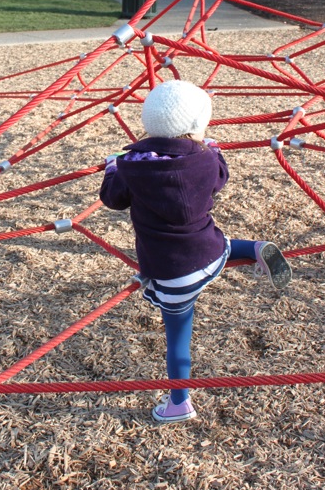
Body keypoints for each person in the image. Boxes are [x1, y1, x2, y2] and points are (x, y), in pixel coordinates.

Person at [100, 79, 292, 425]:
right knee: (229, 247)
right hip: (212, 252)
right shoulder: (207, 159)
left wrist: (112, 166)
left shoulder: (132, 167)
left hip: (174, 274)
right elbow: (221, 175)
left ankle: (180, 403)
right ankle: (258, 249)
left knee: (177, 338)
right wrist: (213, 149)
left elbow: (112, 199)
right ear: (196, 128)